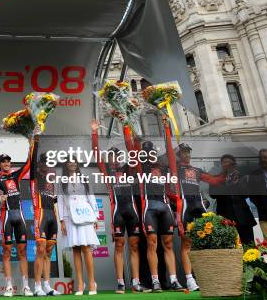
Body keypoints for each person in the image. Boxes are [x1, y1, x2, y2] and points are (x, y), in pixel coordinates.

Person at [91, 120, 149, 294]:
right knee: (118, 246)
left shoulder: (129, 170)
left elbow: (133, 152)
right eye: (111, 157)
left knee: (134, 246)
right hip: (117, 212)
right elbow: (96, 153)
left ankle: (136, 282)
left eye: (116, 156)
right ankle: (120, 283)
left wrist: (126, 125)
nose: (113, 159)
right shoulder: (106, 172)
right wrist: (94, 133)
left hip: (132, 212)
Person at [173, 143, 225, 292]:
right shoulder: (174, 169)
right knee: (187, 242)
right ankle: (189, 279)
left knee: (208, 238)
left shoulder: (197, 170)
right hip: (184, 206)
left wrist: (226, 173)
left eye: (188, 152)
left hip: (199, 204)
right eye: (183, 152)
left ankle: (209, 275)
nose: (186, 155)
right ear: (178, 155)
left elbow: (214, 180)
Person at [0, 139, 36, 297]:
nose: (7, 163)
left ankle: (26, 286)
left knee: (23, 251)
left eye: (8, 161)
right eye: (4, 161)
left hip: (20, 215)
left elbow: (28, 164)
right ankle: (9, 286)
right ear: (0, 164)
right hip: (7, 216)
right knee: (7, 251)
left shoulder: (16, 175)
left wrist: (32, 146)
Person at [138, 141, 181, 292]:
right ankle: (155, 281)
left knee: (168, 244)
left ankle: (174, 280)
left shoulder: (164, 168)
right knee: (151, 243)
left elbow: (170, 189)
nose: (150, 154)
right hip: (149, 206)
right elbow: (132, 145)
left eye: (152, 152)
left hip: (164, 206)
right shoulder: (141, 168)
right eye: (146, 152)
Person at [57, 160, 99, 296]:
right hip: (70, 218)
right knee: (75, 249)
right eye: (69, 162)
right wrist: (62, 220)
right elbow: (61, 202)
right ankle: (80, 282)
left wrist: (96, 216)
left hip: (85, 216)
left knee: (86, 248)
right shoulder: (61, 182)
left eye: (74, 162)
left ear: (77, 165)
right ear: (66, 165)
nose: (72, 164)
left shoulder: (84, 179)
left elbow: (91, 197)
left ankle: (92, 282)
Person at [31, 150, 60, 296]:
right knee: (41, 249)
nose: (45, 165)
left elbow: (55, 200)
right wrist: (33, 140)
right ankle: (37, 286)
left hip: (52, 215)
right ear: (39, 164)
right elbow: (32, 160)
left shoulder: (51, 178)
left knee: (49, 251)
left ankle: (47, 286)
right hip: (41, 213)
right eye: (42, 162)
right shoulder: (35, 177)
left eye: (47, 162)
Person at [209, 154, 256, 245]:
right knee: (229, 245)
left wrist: (237, 182)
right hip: (225, 216)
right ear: (221, 164)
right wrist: (226, 183)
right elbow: (213, 195)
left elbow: (246, 194)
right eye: (224, 162)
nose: (227, 165)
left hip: (243, 217)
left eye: (229, 163)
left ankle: (250, 259)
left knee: (248, 244)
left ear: (234, 165)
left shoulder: (241, 177)